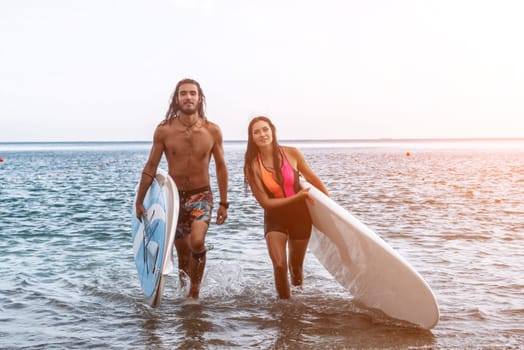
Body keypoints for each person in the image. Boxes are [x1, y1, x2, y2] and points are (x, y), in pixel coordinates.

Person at [135, 78, 228, 300]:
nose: (188, 97)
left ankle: (194, 294)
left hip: (201, 195)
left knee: (197, 241)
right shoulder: (164, 130)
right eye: (183, 93)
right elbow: (151, 166)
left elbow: (221, 167)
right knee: (183, 254)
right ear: (177, 99)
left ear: (199, 97)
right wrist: (140, 200)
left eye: (192, 93)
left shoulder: (212, 130)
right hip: (173, 199)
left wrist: (224, 203)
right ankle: (184, 296)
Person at [243, 116, 328, 299]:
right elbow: (265, 203)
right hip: (275, 217)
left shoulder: (292, 153)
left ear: (272, 130)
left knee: (295, 268)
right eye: (256, 132)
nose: (262, 134)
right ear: (252, 137)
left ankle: (296, 307)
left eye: (265, 129)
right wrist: (298, 197)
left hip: (300, 216)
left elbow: (313, 179)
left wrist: (331, 208)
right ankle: (284, 309)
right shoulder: (252, 166)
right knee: (280, 265)